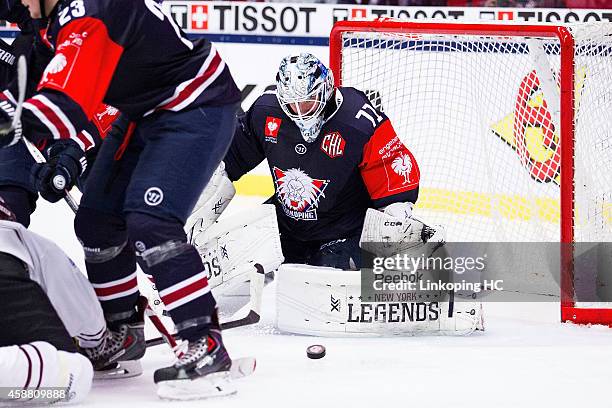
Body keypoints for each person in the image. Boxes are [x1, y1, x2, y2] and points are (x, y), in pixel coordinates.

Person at [0, 0, 241, 399]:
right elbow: (33, 87)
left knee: (151, 222)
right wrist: (67, 152)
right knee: (96, 222)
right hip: (144, 110)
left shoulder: (88, 15)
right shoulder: (56, 16)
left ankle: (205, 343)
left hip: (196, 104)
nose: (21, 4)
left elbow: (62, 108)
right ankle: (122, 333)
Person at [223, 53, 420, 270]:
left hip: (343, 232)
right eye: (292, 104)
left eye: (307, 101)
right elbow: (228, 160)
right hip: (285, 226)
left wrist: (395, 217)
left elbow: (392, 179)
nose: (300, 111)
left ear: (325, 89)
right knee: (236, 261)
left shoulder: (358, 121)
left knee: (319, 287)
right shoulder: (266, 113)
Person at [0, 196, 104, 404]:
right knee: (73, 378)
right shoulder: (31, 242)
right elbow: (89, 322)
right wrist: (96, 341)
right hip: (9, 269)